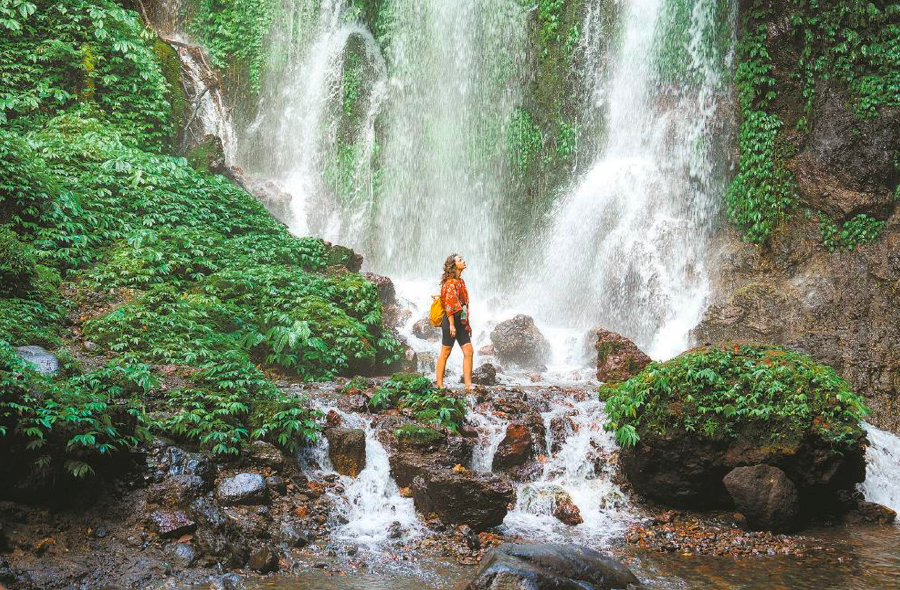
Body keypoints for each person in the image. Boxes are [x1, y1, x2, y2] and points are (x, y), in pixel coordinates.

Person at [435, 253, 474, 390]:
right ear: (453, 265)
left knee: (468, 351)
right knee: (445, 352)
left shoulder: (460, 281)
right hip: (450, 321)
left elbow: (462, 305)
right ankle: (439, 385)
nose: (463, 261)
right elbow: (449, 306)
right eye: (460, 260)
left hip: (460, 321)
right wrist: (452, 325)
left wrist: (466, 323)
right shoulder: (450, 283)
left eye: (462, 258)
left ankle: (468, 385)